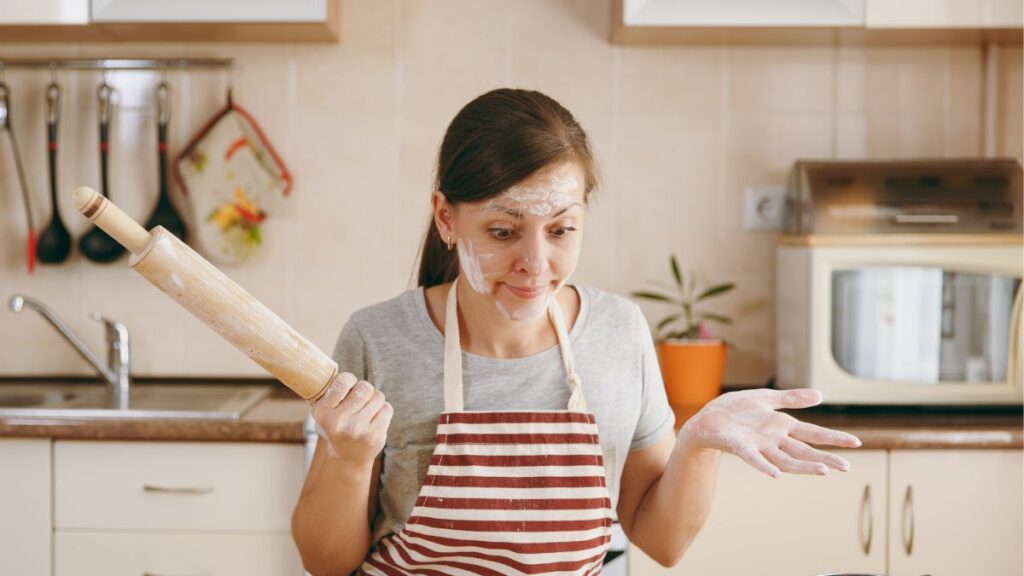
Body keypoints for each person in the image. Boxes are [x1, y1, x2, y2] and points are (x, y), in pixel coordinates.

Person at [291, 88, 862, 576]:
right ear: (446, 217)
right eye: (502, 230)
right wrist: (348, 458)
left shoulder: (618, 332)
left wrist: (698, 444)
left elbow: (662, 542)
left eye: (560, 230)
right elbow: (327, 563)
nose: (535, 263)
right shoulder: (378, 338)